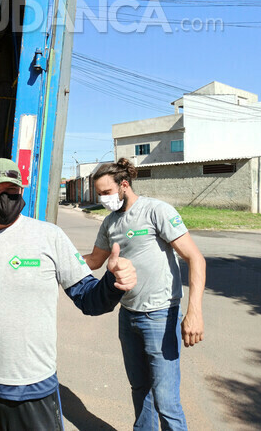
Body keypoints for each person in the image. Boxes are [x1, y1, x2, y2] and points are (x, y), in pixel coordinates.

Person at [0, 158, 138, 431]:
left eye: (11, 190)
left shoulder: (49, 236)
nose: (4, 197)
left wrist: (113, 282)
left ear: (21, 191)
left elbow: (89, 299)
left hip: (35, 389)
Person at [83, 158, 206, 431]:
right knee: (140, 390)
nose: (103, 199)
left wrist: (194, 311)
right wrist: (55, 261)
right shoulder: (110, 223)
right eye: (99, 194)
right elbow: (93, 260)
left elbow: (195, 258)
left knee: (166, 401)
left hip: (160, 315)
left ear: (124, 185)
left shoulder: (156, 211)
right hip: (128, 316)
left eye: (106, 192)